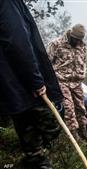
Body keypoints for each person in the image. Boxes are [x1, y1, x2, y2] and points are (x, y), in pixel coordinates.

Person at [0, 0, 64, 168]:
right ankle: (37, 158)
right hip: (19, 79)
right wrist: (35, 80)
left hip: (10, 81)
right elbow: (16, 41)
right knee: (46, 122)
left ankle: (34, 157)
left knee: (23, 117)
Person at [47, 24, 87, 141]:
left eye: (79, 40)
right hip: (61, 81)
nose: (77, 42)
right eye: (75, 39)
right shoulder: (56, 44)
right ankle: (74, 135)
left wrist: (82, 73)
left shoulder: (82, 46)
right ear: (71, 35)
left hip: (76, 82)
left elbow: (84, 61)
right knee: (68, 108)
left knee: (81, 108)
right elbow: (46, 63)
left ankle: (83, 131)